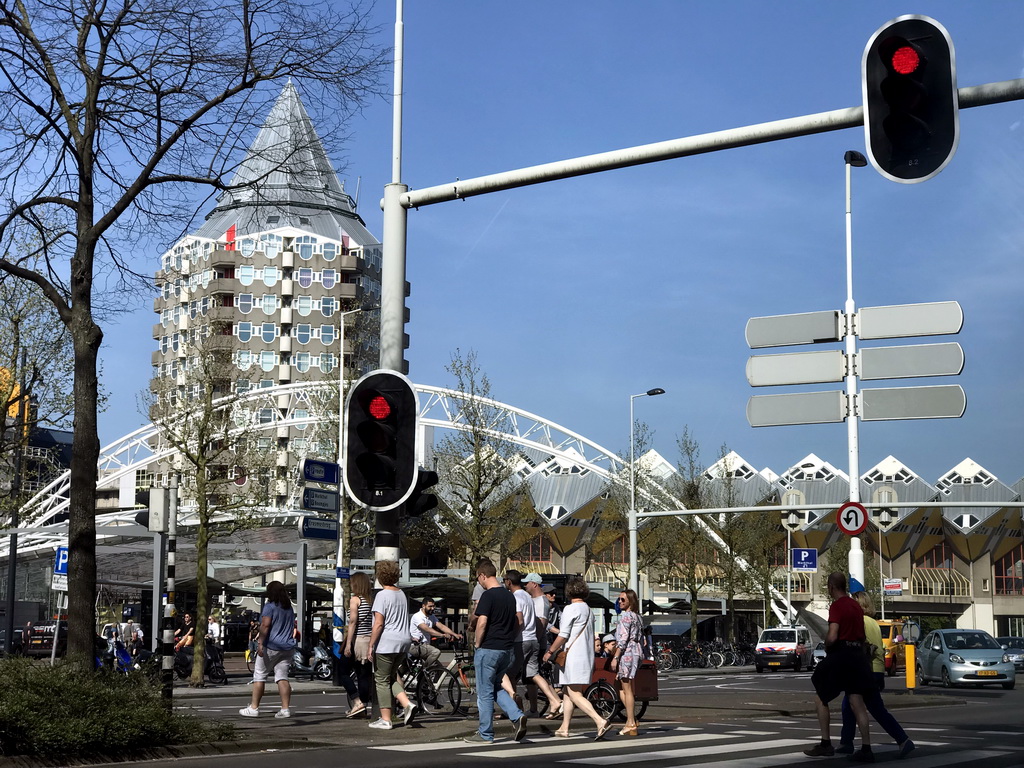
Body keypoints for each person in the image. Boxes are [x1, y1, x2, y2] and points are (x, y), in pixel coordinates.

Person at [804, 572, 874, 761]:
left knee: (820, 694)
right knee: (857, 702)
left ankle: (826, 743)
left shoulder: (837, 606)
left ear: (831, 587)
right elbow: (861, 635)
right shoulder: (856, 606)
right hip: (857, 656)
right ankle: (866, 747)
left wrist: (827, 644)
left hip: (842, 655)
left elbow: (833, 635)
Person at [837, 592, 914, 759]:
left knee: (852, 704)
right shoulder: (874, 623)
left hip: (864, 669)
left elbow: (859, 646)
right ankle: (902, 739)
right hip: (877, 669)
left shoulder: (859, 622)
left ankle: (849, 743)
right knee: (872, 708)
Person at [542, 576, 613, 740]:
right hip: (586, 655)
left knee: (574, 694)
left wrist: (550, 651)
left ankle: (600, 720)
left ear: (568, 592)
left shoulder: (570, 609)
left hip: (572, 656)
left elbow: (563, 635)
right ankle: (564, 727)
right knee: (568, 691)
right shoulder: (588, 609)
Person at [465, 560, 527, 745]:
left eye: (478, 579)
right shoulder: (510, 596)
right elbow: (517, 621)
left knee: (484, 692)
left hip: (489, 649)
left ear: (483, 575)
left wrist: (477, 644)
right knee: (496, 687)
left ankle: (485, 734)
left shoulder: (488, 596)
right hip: (505, 650)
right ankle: (517, 716)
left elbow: (482, 622)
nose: (479, 583)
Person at [367, 559, 417, 730]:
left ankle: (386, 719)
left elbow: (379, 623)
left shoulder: (381, 595)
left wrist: (370, 645)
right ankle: (407, 704)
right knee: (390, 677)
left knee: (380, 679)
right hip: (403, 642)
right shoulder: (401, 594)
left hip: (386, 643)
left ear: (379, 576)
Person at [240, 581, 297, 718]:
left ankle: (254, 708)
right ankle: (285, 709)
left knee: (259, 675)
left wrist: (260, 643)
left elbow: (265, 625)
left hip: (271, 645)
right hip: (287, 646)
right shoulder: (289, 608)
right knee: (282, 677)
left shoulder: (269, 607)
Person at [522, 573, 563, 717]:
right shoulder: (533, 599)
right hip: (536, 641)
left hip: (536, 642)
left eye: (527, 583)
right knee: (531, 676)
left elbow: (542, 623)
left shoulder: (541, 601)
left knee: (533, 673)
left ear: (534, 584)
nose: (525, 585)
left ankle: (555, 701)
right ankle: (534, 709)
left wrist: (537, 641)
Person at [611, 588, 644, 737]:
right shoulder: (637, 617)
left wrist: (616, 657)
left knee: (627, 688)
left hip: (627, 653)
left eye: (623, 599)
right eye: (619, 599)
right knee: (622, 685)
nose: (620, 602)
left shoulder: (625, 617)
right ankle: (632, 719)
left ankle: (630, 722)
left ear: (631, 601)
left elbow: (623, 640)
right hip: (636, 652)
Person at [341, 570, 374, 718]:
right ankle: (364, 706)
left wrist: (348, 644)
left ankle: (357, 701)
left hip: (357, 640)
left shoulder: (355, 600)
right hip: (369, 640)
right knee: (363, 674)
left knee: (342, 672)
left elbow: (353, 621)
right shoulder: (371, 600)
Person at [409, 597, 462, 674]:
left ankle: (426, 683)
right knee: (436, 652)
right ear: (423, 606)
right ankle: (422, 673)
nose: (432, 608)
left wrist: (455, 634)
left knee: (439, 670)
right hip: (416, 646)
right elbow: (427, 629)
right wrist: (443, 635)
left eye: (433, 606)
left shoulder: (431, 617)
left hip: (425, 647)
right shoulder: (417, 616)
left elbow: (441, 626)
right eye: (430, 606)